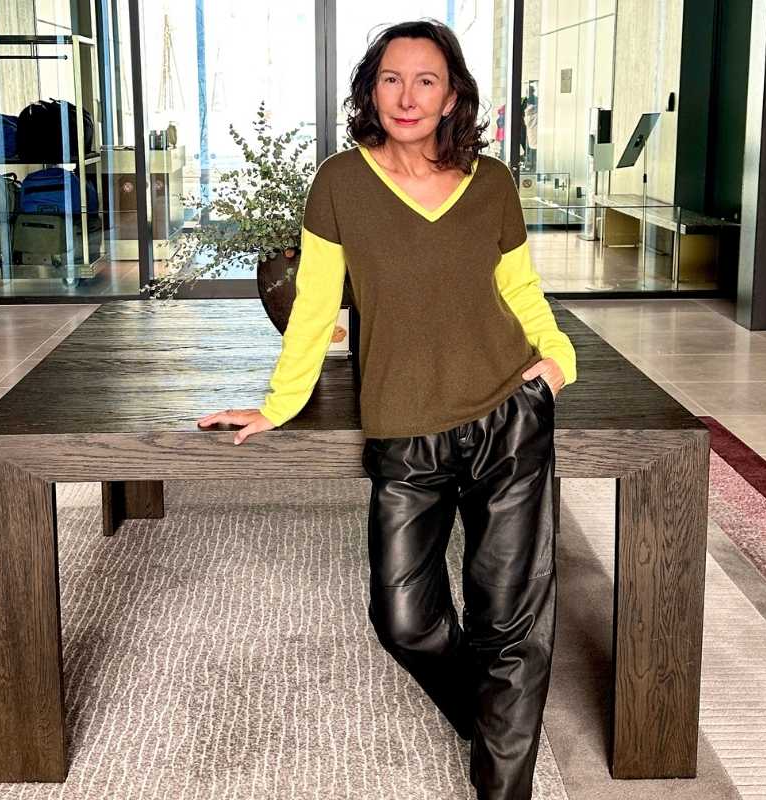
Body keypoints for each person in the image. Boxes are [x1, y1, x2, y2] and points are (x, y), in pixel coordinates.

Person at [197, 18, 576, 800]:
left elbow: (519, 289)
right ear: (373, 88)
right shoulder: (340, 182)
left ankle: (503, 783)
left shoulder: (492, 182)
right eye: (392, 78)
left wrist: (554, 362)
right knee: (404, 619)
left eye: (426, 80)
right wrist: (279, 404)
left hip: (510, 412)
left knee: (509, 621)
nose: (407, 95)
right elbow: (313, 309)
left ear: (452, 97)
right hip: (405, 429)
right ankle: (497, 719)